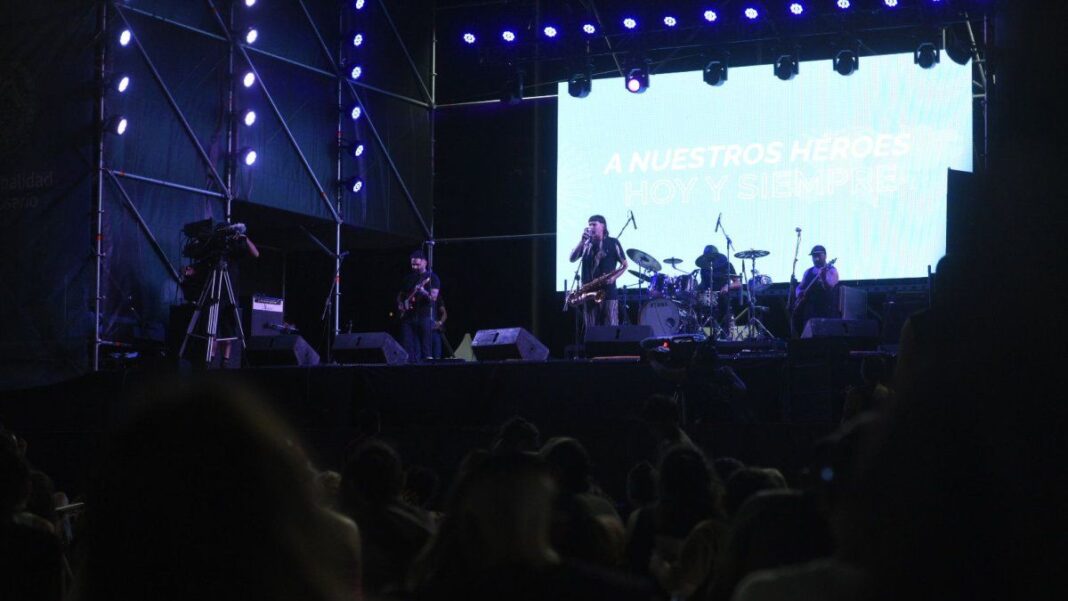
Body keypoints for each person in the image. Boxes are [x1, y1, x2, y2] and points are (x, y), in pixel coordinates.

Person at [180, 222, 259, 368]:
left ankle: (226, 361)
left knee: (228, 329)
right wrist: (190, 271)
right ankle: (210, 358)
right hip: (212, 294)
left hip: (230, 295)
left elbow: (256, 253)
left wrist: (243, 237)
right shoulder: (213, 252)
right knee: (212, 330)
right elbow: (200, 266)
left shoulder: (233, 250)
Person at [568, 215, 627, 330]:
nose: (590, 227)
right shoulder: (586, 244)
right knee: (591, 332)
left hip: (608, 292)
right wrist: (581, 241)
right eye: (589, 224)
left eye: (594, 224)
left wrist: (614, 278)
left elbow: (624, 265)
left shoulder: (613, 242)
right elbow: (572, 259)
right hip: (589, 294)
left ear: (603, 226)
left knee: (611, 329)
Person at [396, 249, 440, 362]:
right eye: (412, 264)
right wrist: (400, 304)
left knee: (426, 348)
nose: (414, 267)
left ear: (425, 262)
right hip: (408, 317)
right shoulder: (408, 278)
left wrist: (423, 291)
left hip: (425, 317)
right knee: (408, 347)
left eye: (417, 264)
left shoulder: (432, 278)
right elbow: (400, 294)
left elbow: (433, 298)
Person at [792, 245, 839, 333]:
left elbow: (830, 288)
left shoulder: (832, 270)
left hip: (826, 310)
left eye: (819, 255)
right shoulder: (808, 272)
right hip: (809, 311)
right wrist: (799, 293)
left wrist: (824, 277)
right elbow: (800, 287)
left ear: (825, 256)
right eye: (814, 256)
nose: (816, 259)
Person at [696, 245, 741, 339]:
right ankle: (701, 334)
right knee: (696, 304)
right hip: (708, 295)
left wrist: (727, 286)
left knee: (724, 303)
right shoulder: (703, 268)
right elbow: (702, 284)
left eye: (712, 256)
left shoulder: (726, 265)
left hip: (723, 294)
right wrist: (695, 288)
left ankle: (726, 335)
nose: (710, 259)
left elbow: (738, 283)